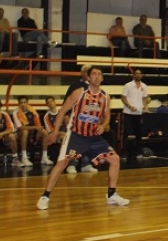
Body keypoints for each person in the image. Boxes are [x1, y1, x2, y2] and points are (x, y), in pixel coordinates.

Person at [37, 68, 129, 210]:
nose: (97, 77)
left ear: (102, 78)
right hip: (76, 135)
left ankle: (111, 195)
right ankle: (45, 196)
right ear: (88, 78)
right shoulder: (79, 93)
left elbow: (107, 116)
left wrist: (104, 126)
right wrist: (55, 132)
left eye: (99, 74)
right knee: (62, 163)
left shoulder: (105, 97)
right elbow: (62, 111)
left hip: (93, 138)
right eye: (94, 74)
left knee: (114, 159)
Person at [121, 68, 149, 160]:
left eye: (139, 73)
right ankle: (124, 153)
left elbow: (144, 98)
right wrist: (129, 106)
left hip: (138, 113)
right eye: (136, 73)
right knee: (126, 133)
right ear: (133, 75)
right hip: (128, 112)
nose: (138, 75)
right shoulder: (128, 85)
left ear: (141, 75)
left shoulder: (144, 86)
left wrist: (145, 107)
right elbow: (123, 97)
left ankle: (139, 152)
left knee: (139, 133)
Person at [14, 96, 50, 166]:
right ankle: (24, 157)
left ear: (27, 103)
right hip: (20, 134)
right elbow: (20, 127)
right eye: (21, 103)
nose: (23, 104)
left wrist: (39, 128)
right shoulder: (16, 112)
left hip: (33, 133)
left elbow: (38, 125)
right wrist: (35, 127)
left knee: (44, 132)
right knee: (25, 131)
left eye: (24, 102)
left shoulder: (33, 111)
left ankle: (44, 157)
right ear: (19, 104)